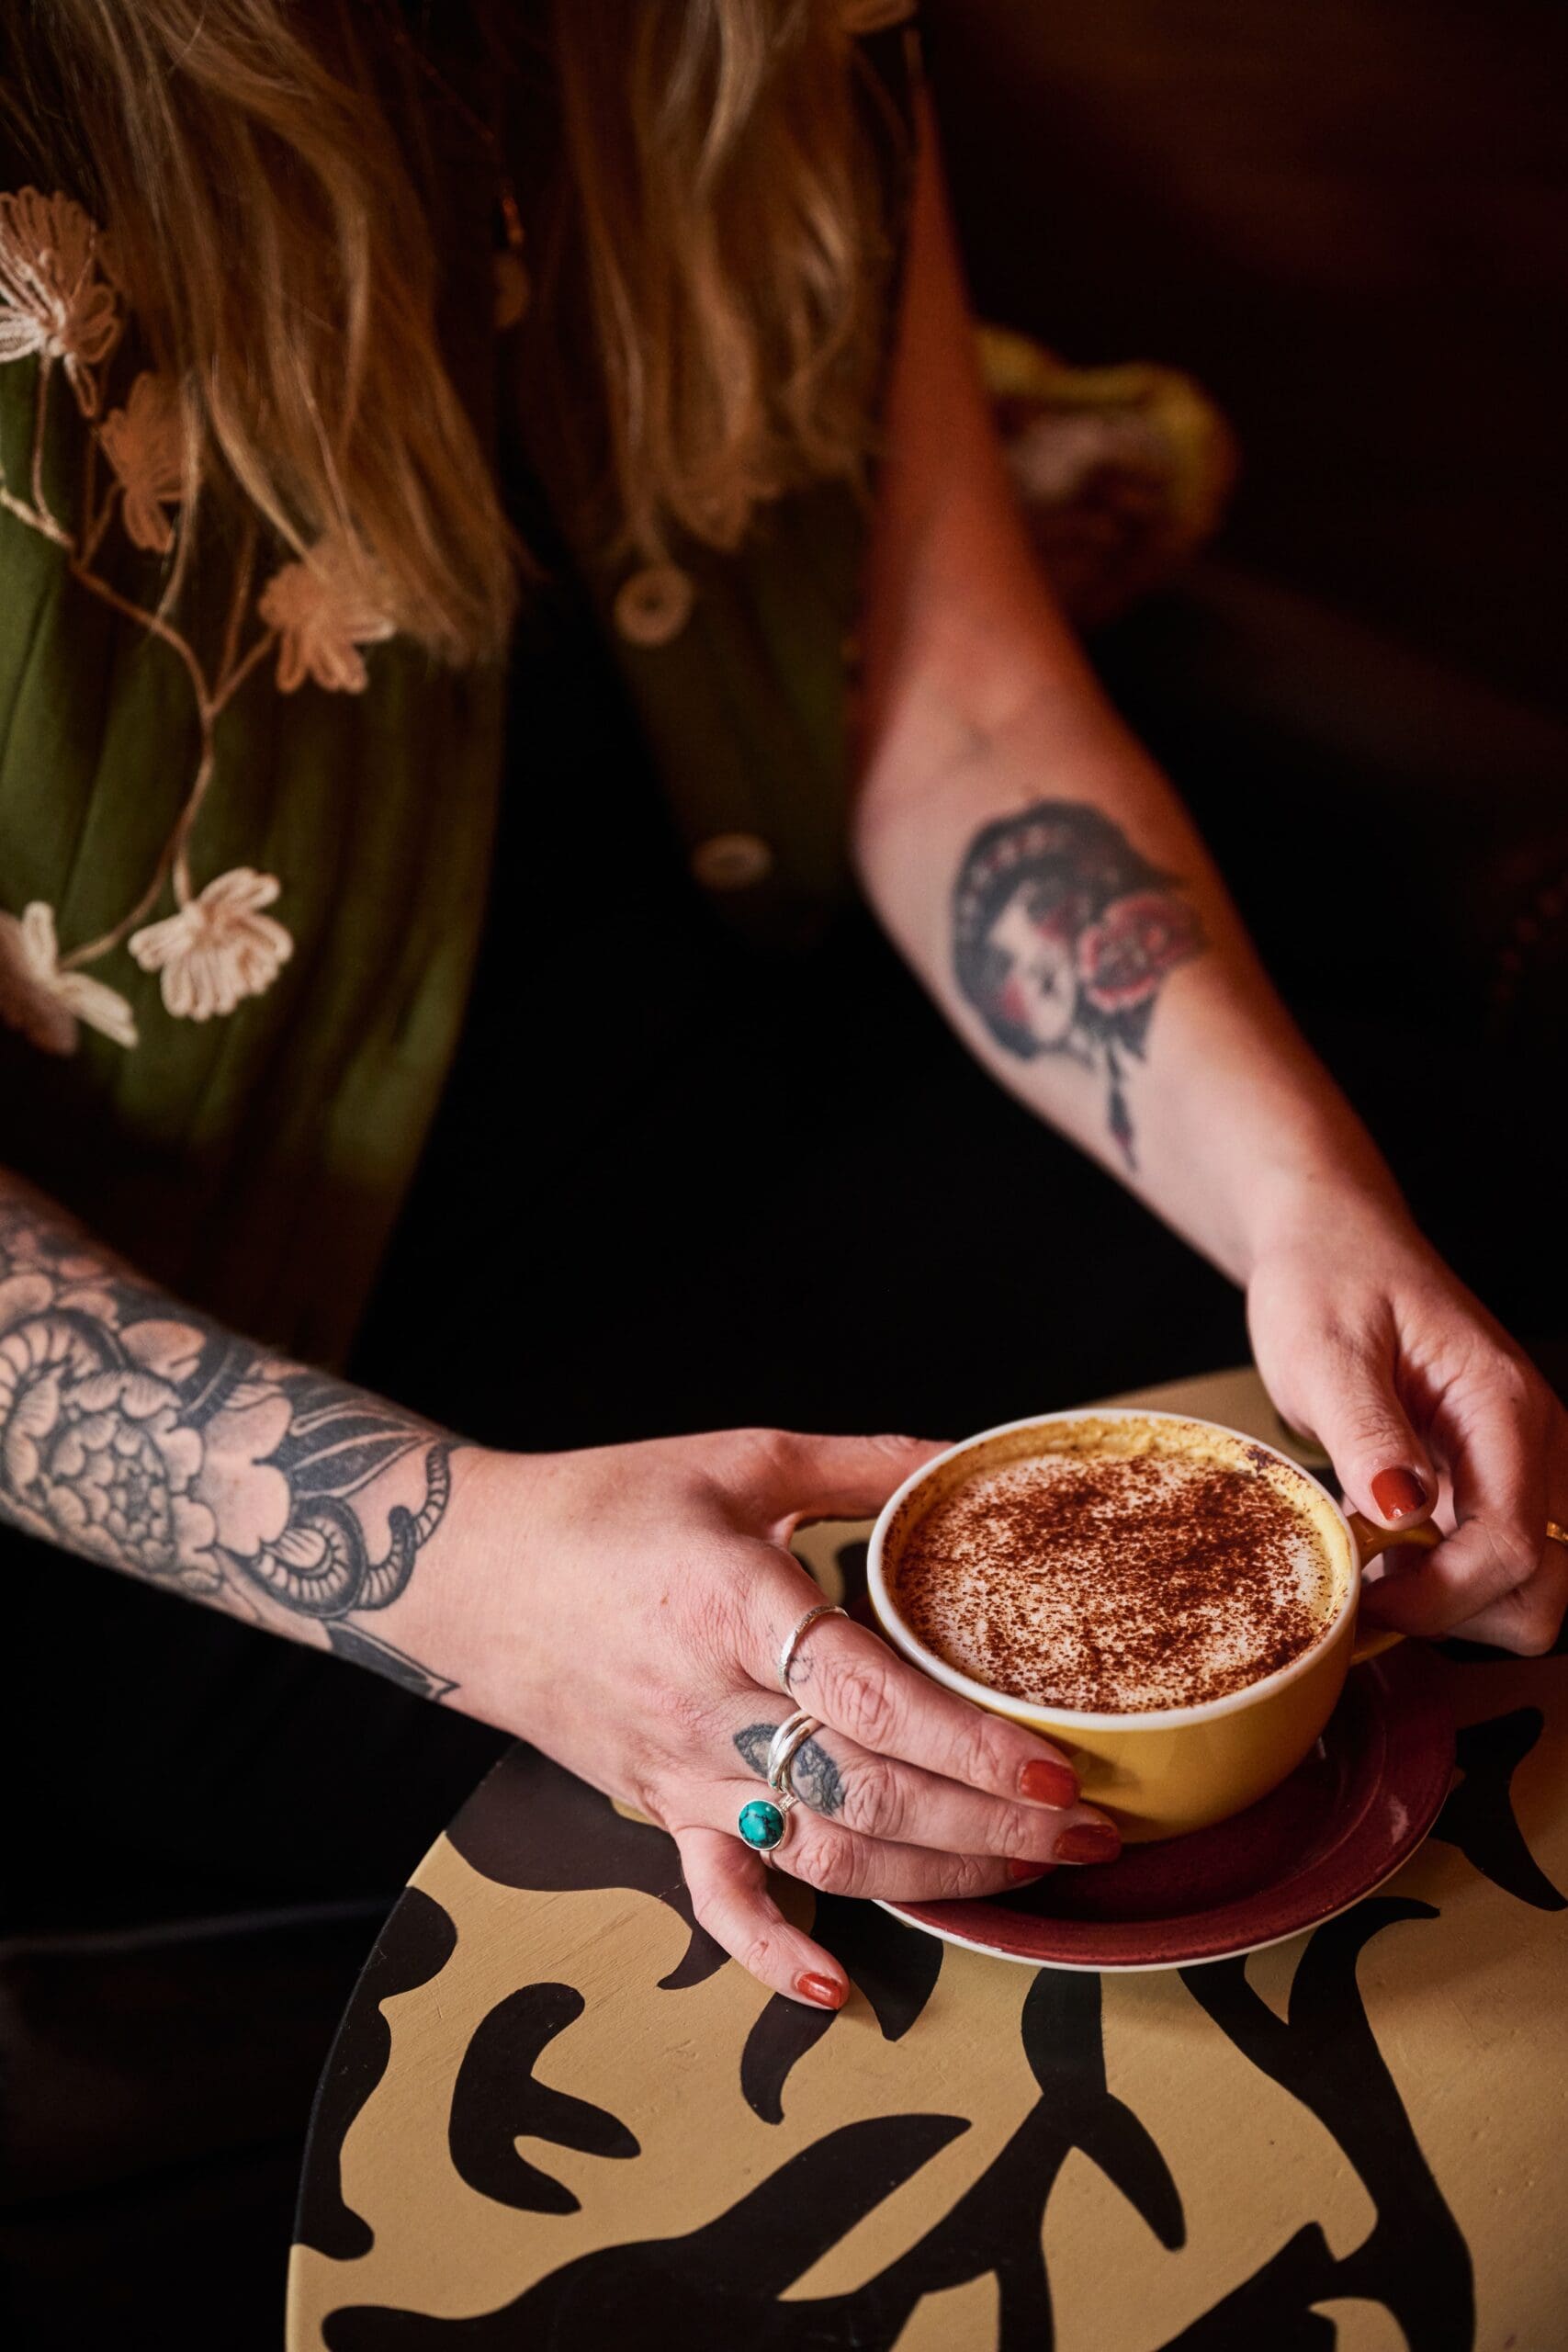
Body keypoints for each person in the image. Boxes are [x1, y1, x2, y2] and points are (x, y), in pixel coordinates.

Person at [0, 0, 1563, 2048]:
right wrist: (467, 1576)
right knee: (874, 1949)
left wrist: (1302, 1206)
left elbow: (958, 707)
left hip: (727, 1065)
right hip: (172, 1390)